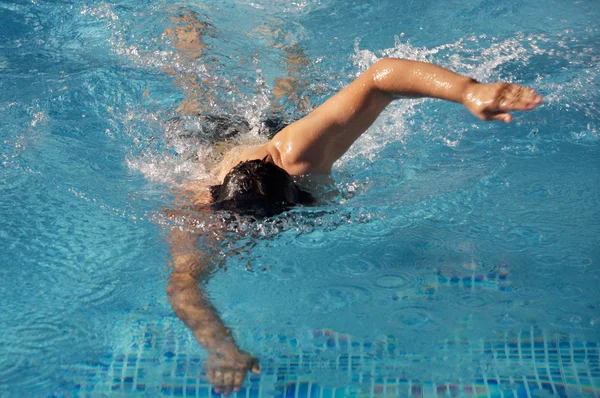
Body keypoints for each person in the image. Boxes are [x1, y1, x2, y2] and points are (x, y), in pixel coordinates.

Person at [166, 55, 542, 394]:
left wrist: (469, 91)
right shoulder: (198, 209)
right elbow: (182, 284)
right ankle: (186, 27)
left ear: (298, 190)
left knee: (287, 91)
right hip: (207, 141)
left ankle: (289, 45)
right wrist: (222, 350)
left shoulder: (297, 154)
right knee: (196, 90)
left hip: (273, 133)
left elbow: (382, 76)